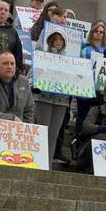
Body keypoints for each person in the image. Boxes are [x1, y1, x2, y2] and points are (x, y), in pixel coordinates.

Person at [33, 25, 73, 164]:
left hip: (61, 100)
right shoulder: (42, 54)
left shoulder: (70, 60)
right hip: (43, 98)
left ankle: (47, 164)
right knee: (42, 132)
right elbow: (36, 73)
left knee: (53, 135)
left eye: (61, 39)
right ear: (50, 41)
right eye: (55, 39)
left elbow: (73, 79)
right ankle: (38, 162)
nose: (58, 42)